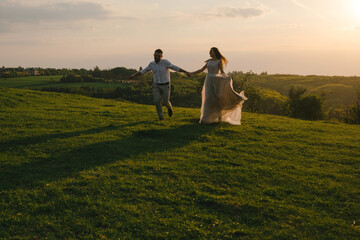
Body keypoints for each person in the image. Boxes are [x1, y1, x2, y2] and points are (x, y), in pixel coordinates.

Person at [129, 49, 191, 120]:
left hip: (166, 85)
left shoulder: (165, 62)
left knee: (165, 102)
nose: (157, 57)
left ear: (161, 56)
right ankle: (161, 117)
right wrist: (134, 75)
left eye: (158, 56)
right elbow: (143, 71)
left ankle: (169, 107)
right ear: (153, 55)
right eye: (155, 55)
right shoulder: (151, 64)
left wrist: (186, 72)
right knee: (156, 101)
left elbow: (175, 68)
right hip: (156, 85)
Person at [190, 47, 247, 125]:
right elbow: (201, 70)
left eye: (211, 51)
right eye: (209, 51)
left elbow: (222, 72)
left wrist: (227, 78)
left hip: (216, 81)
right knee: (208, 99)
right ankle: (205, 119)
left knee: (217, 99)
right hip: (208, 80)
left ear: (215, 52)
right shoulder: (209, 61)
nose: (209, 53)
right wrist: (191, 73)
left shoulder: (219, 61)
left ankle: (219, 118)